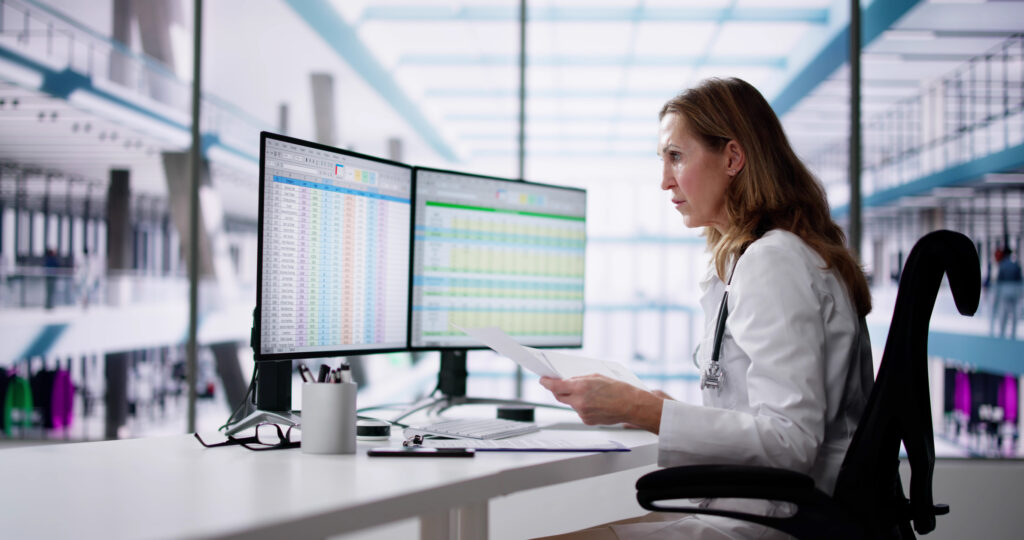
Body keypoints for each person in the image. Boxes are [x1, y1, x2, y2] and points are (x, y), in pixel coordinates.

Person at [537, 78, 874, 540]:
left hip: (773, 522)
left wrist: (642, 409)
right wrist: (660, 408)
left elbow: (790, 442)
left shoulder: (774, 261)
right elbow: (759, 419)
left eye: (676, 156)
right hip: (763, 512)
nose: (664, 180)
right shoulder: (770, 256)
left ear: (733, 158)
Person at [994, 247, 1022, 339]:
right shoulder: (1016, 265)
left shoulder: (1002, 265)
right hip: (1014, 289)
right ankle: (1013, 333)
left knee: (1004, 312)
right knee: (1014, 312)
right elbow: (1019, 279)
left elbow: (999, 280)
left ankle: (1002, 331)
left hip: (1005, 289)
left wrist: (997, 293)